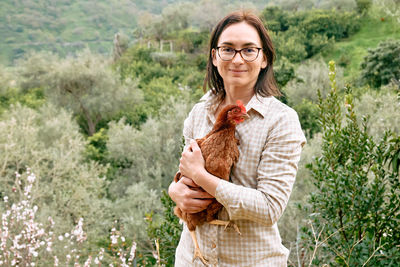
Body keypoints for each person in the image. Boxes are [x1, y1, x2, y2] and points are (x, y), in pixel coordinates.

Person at [168, 10, 306, 267]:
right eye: (228, 49)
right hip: (192, 258)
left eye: (249, 50)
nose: (238, 59)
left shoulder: (281, 121)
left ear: (263, 58)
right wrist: (175, 189)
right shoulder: (200, 111)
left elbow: (269, 208)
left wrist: (201, 177)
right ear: (215, 56)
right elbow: (185, 170)